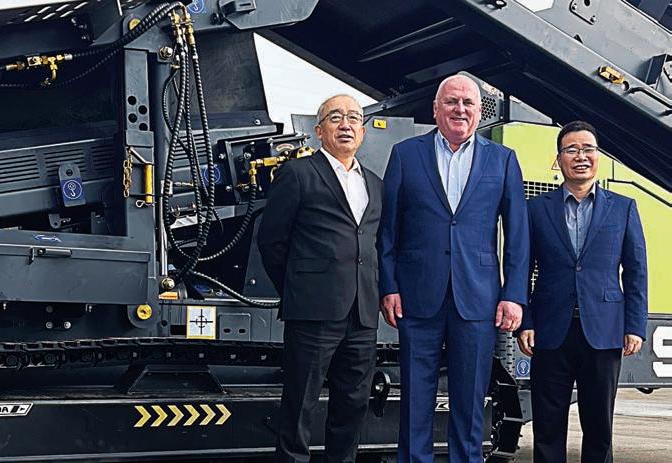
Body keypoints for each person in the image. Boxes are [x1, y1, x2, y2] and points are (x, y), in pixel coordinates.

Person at [377, 74, 529, 462]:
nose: (459, 109)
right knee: (415, 401)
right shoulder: (405, 155)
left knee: (470, 404)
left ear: (480, 111)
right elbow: (388, 229)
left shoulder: (503, 160)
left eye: (468, 103)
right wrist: (389, 286)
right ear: (435, 109)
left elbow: (518, 235)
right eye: (451, 102)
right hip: (416, 297)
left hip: (478, 299)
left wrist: (513, 294)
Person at [257, 94, 383, 463]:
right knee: (299, 405)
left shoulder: (375, 184)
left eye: (354, 118)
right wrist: (299, 288)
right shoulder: (298, 174)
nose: (346, 124)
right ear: (319, 130)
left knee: (353, 406)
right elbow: (271, 241)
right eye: (335, 117)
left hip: (362, 314)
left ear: (362, 131)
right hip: (312, 312)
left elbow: (373, 243)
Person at [517, 120, 647, 463]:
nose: (581, 156)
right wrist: (525, 320)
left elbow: (636, 271)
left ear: (598, 156)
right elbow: (520, 268)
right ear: (558, 159)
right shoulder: (535, 209)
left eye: (588, 149)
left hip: (604, 331)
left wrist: (635, 325)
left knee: (599, 429)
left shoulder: (624, 207)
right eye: (571, 149)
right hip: (549, 331)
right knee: (547, 428)